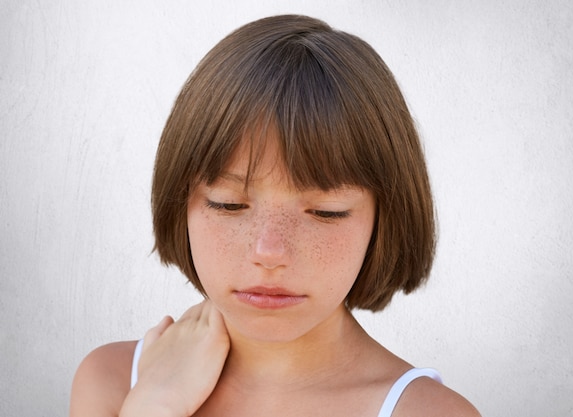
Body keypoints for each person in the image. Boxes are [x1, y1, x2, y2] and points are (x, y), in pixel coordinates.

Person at [70, 14, 480, 417]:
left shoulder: (428, 412)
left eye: (325, 211)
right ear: (179, 203)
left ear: (383, 219)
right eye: (228, 204)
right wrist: (154, 403)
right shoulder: (112, 382)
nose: (269, 251)